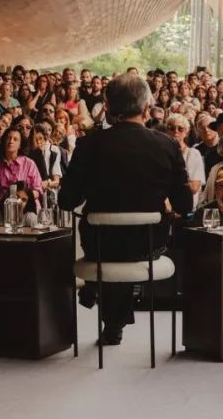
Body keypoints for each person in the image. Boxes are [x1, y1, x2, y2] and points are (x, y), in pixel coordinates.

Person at [59, 73, 192, 345]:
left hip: (99, 244)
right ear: (146, 108)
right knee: (128, 246)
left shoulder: (89, 145)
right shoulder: (167, 145)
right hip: (149, 243)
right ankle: (113, 319)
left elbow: (66, 202)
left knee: (111, 248)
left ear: (107, 108)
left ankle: (106, 308)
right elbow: (185, 205)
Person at [165, 114, 204, 205]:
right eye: (172, 128)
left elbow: (194, 187)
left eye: (180, 129)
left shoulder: (194, 154)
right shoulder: (162, 153)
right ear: (167, 131)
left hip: (187, 209)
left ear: (186, 132)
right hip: (165, 210)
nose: (176, 131)